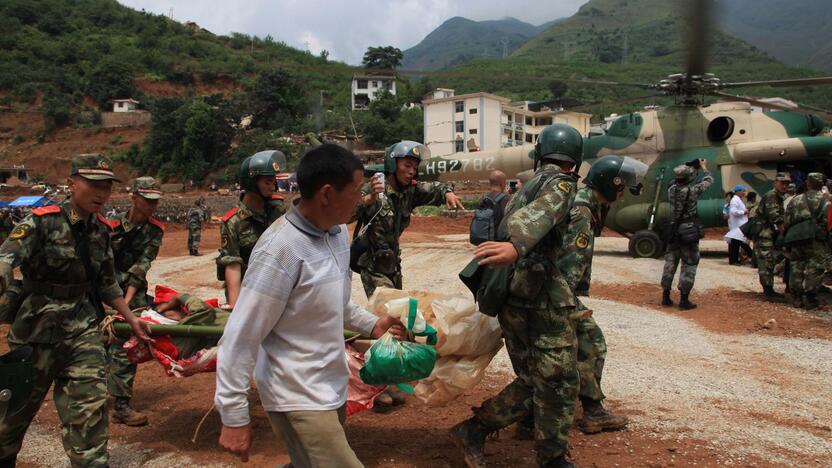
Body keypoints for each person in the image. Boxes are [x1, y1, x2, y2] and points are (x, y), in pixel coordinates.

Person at [214, 144, 405, 466]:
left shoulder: (335, 235)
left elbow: (335, 303)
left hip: (330, 385)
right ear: (327, 194)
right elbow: (240, 336)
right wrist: (233, 414)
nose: (360, 200)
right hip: (295, 394)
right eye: (356, 191)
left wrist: (373, 324)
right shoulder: (280, 250)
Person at [0, 154, 151, 467]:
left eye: (107, 186)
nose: (101, 193)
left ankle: (92, 461)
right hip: (37, 331)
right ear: (71, 184)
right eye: (94, 184)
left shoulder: (101, 231)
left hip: (82, 329)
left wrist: (132, 318)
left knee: (90, 409)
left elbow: (108, 285)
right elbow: (7, 258)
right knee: (12, 416)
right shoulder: (43, 220)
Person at [451, 123, 584, 468]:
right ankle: (551, 458)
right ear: (575, 160)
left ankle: (475, 429)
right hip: (541, 299)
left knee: (533, 379)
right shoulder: (561, 184)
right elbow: (535, 219)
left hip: (513, 296)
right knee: (559, 379)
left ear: (539, 154)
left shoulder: (524, 187)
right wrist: (517, 245)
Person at [514, 155, 646, 441]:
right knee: (591, 345)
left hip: (541, 290)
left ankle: (531, 420)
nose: (623, 196)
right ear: (612, 185)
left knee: (546, 361)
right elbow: (569, 265)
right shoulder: (583, 210)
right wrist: (566, 307)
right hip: (554, 295)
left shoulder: (582, 201)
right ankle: (591, 412)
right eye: (622, 189)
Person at [353, 140, 464, 299]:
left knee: (397, 314)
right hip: (374, 268)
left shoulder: (410, 191)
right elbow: (347, 215)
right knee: (391, 310)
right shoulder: (375, 187)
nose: (412, 171)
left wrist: (447, 193)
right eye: (407, 165)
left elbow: (435, 189)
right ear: (393, 164)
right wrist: (369, 199)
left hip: (393, 267)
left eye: (414, 167)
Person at [105, 176, 166, 427]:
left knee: (126, 344)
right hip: (102, 290)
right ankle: (93, 395)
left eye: (155, 201)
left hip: (132, 293)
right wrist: (106, 301)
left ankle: (120, 404)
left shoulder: (155, 230)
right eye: (146, 200)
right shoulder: (109, 226)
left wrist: (124, 304)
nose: (151, 205)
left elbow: (141, 267)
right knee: (95, 344)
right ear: (134, 197)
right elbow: (101, 265)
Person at [216, 150, 287, 308]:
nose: (273, 187)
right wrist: (235, 306)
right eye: (267, 182)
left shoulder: (279, 209)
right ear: (251, 183)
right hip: (248, 292)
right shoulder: (233, 221)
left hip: (278, 289)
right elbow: (232, 264)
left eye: (273, 182)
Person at [661, 160, 714, 310]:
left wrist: (688, 168)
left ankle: (665, 296)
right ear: (688, 178)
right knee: (689, 263)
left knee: (670, 262)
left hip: (674, 229)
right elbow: (709, 180)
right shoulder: (692, 191)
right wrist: (703, 167)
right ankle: (684, 299)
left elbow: (676, 180)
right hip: (688, 230)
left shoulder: (671, 189)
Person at [784, 172, 829, 309]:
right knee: (815, 268)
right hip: (817, 240)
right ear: (822, 184)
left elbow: (787, 220)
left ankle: (796, 297)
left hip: (797, 238)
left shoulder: (796, 199)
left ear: (808, 183)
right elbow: (829, 223)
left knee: (796, 266)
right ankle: (809, 298)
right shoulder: (827, 200)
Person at [754, 173, 789, 299]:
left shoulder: (779, 196)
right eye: (782, 182)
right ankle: (768, 291)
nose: (785, 185)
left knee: (769, 260)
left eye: (787, 183)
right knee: (766, 261)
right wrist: (784, 234)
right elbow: (776, 217)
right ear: (775, 183)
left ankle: (769, 289)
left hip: (768, 233)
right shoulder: (772, 195)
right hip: (764, 233)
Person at [469, 170, 509, 245]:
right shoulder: (505, 198)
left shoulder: (484, 197)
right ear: (502, 183)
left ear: (490, 183)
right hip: (497, 241)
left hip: (483, 239)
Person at [725, 185, 753, 265]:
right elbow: (733, 211)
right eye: (743, 191)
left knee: (736, 243)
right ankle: (734, 260)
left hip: (739, 225)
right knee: (738, 243)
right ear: (738, 191)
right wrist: (744, 212)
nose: (744, 193)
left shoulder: (738, 200)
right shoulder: (735, 200)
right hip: (737, 226)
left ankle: (734, 260)